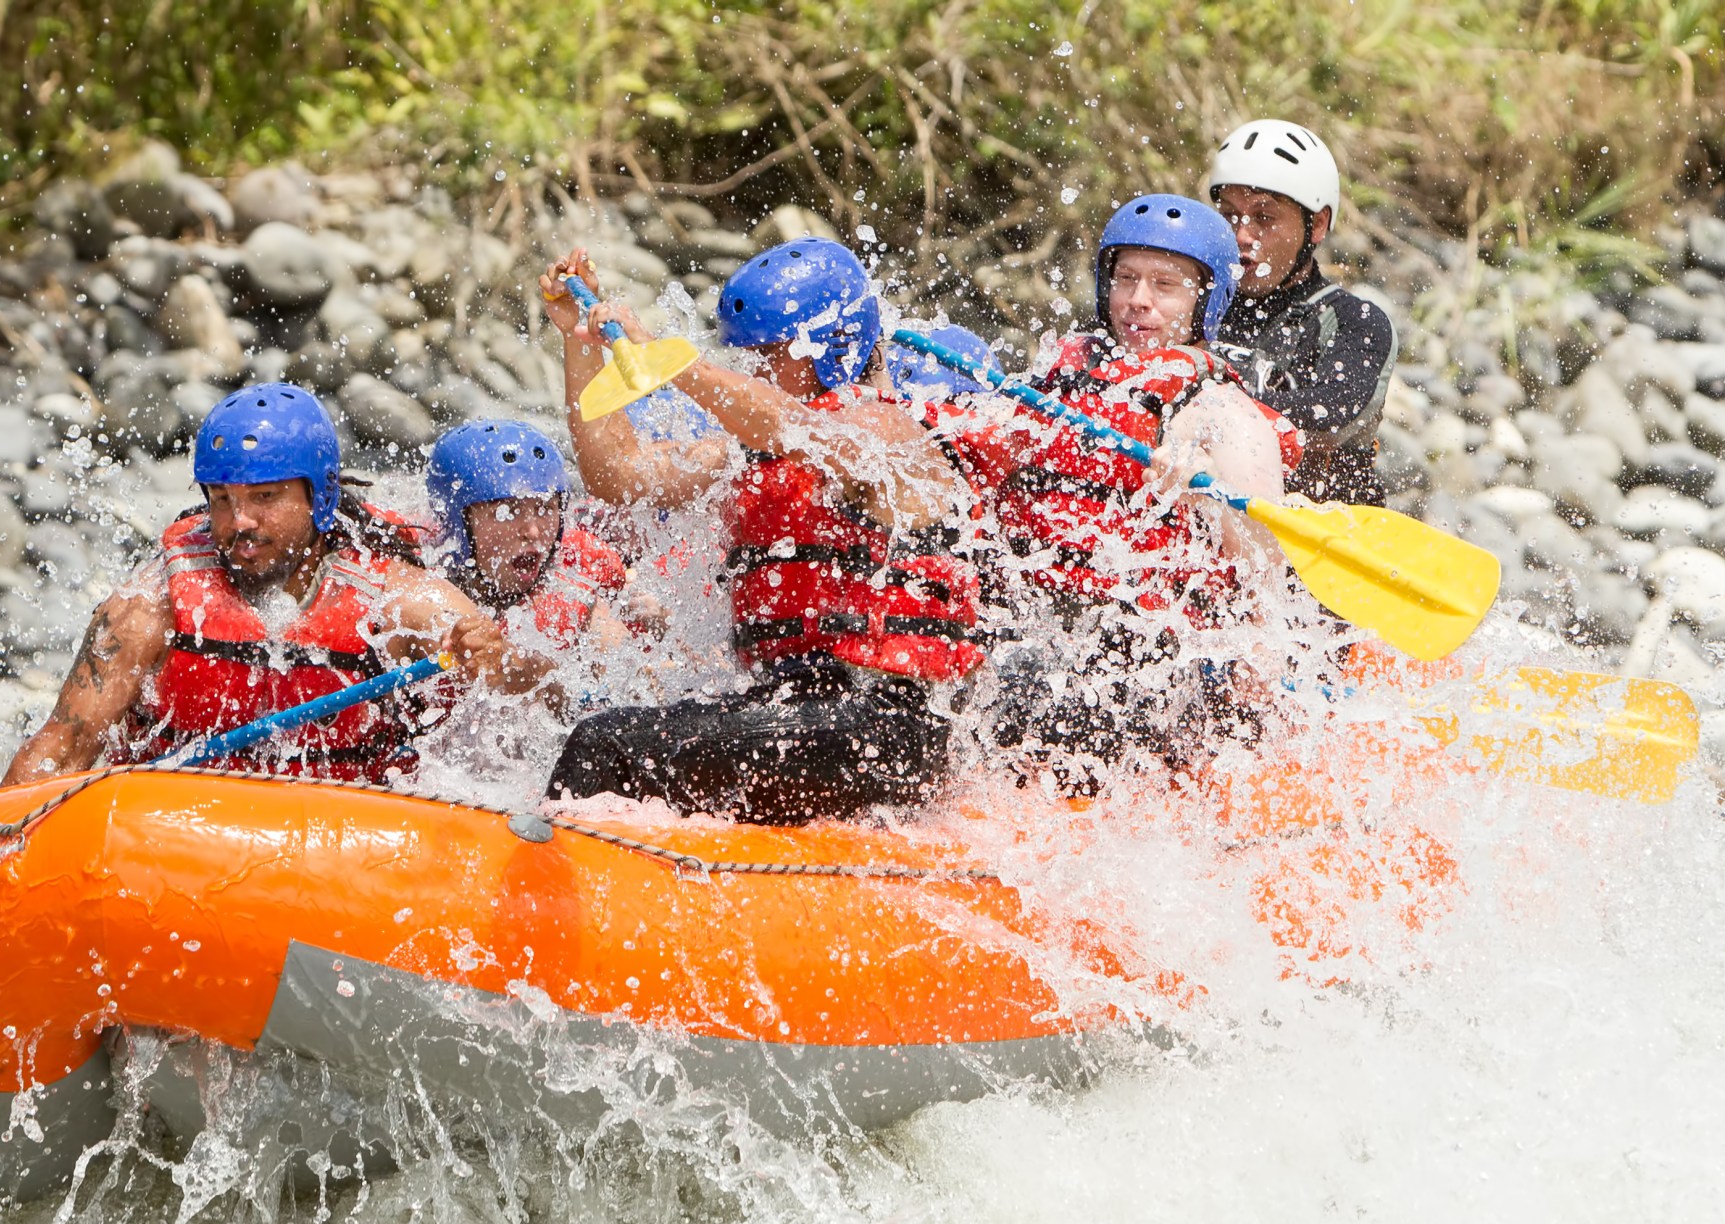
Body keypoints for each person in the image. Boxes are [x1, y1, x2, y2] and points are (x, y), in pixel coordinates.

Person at [533, 240, 983, 825]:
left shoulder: (881, 428)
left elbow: (790, 426)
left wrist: (668, 358)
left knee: (606, 745)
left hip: (886, 722)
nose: (758, 369)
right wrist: (578, 343)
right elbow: (618, 475)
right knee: (625, 733)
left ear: (830, 347)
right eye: (751, 356)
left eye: (772, 353)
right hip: (799, 714)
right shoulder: (743, 449)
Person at [937, 195, 1309, 784]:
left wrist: (1199, 479)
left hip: (1146, 661)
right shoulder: (1056, 380)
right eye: (1127, 279)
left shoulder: (1218, 413)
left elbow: (1263, 588)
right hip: (1029, 627)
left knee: (1021, 690)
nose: (1139, 301)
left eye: (1165, 285)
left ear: (1205, 302)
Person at [4, 384, 546, 785]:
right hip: (173, 839)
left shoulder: (400, 602)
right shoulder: (151, 606)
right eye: (222, 499)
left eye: (264, 498)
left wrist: (495, 659)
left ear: (321, 497)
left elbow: (534, 688)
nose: (239, 521)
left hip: (348, 842)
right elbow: (61, 749)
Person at [1205, 118, 1397, 506]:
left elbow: (1329, 414)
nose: (1241, 234)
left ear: (1318, 225)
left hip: (1319, 538)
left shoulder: (1354, 322)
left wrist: (1199, 402)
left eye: (1264, 217)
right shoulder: (1194, 304)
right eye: (1229, 214)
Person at [422, 419, 653, 650]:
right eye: (508, 512)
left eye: (544, 508)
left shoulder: (578, 581)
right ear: (459, 523)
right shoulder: (425, 598)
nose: (532, 532)